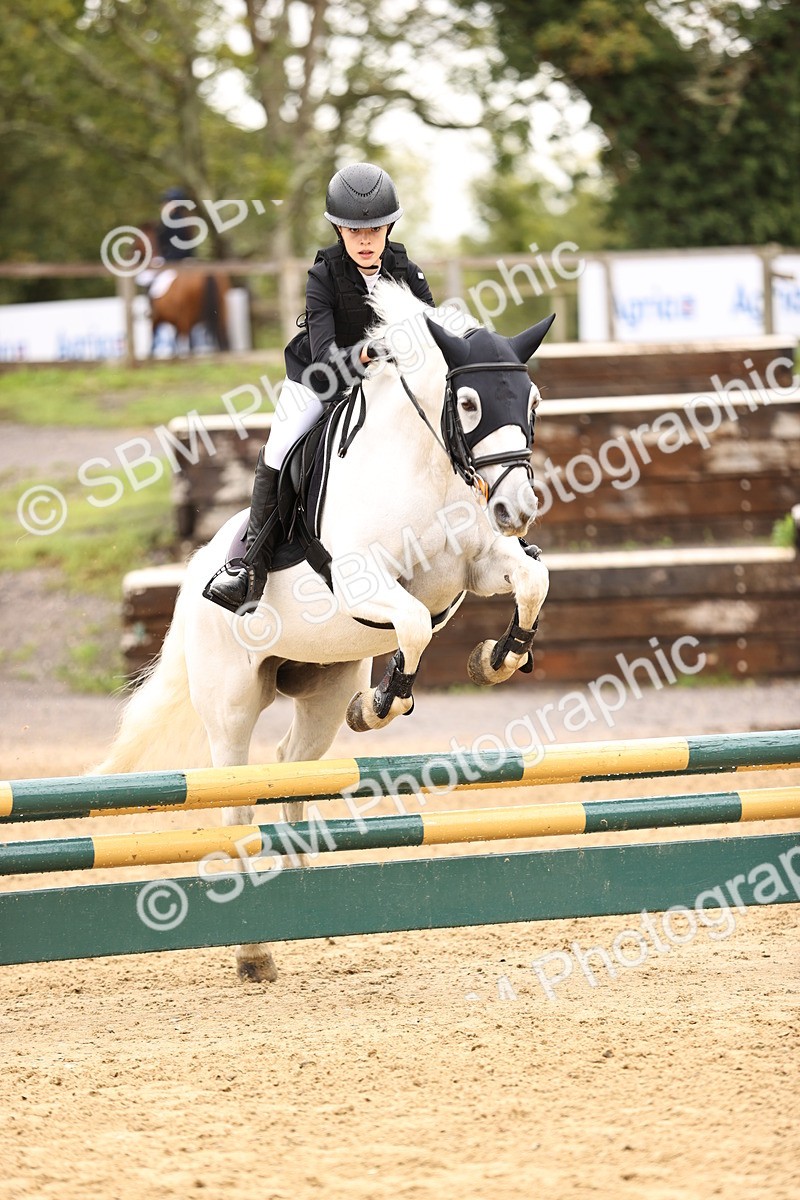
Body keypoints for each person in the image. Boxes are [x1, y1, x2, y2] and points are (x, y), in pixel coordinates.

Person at [204, 162, 434, 613]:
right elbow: (327, 353)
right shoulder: (323, 277)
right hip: (322, 379)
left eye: (373, 230)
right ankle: (249, 565)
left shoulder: (408, 273)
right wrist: (369, 354)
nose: (365, 241)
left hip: (387, 385)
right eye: (353, 231)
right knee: (280, 444)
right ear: (338, 230)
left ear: (388, 226)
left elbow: (433, 335)